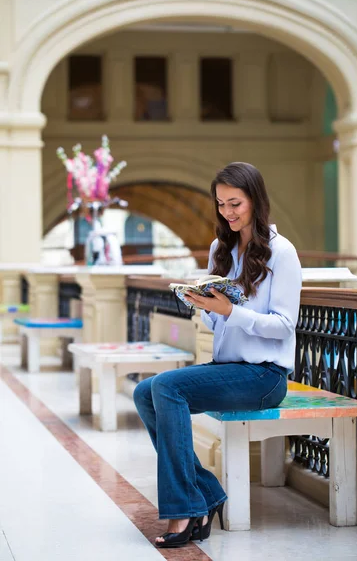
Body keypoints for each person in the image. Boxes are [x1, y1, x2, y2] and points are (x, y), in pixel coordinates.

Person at [133, 162, 302, 549]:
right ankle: (205, 495)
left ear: (255, 201)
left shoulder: (282, 252)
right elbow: (219, 323)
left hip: (265, 376)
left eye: (235, 203)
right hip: (229, 367)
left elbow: (283, 325)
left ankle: (186, 510)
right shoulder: (220, 248)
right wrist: (205, 305)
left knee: (168, 389)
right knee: (145, 393)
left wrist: (230, 311)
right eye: (221, 204)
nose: (228, 212)